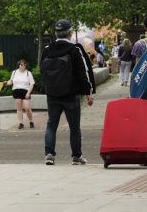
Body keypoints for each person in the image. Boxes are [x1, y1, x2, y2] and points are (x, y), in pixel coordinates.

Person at [41, 19, 95, 166]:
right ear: (70, 33)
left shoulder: (47, 49)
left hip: (52, 95)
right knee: (74, 127)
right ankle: (76, 156)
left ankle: (49, 154)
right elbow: (83, 72)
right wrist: (89, 92)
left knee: (51, 125)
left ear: (56, 33)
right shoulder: (74, 50)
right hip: (70, 95)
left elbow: (42, 71)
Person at [5, 60, 35, 129]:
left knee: (27, 108)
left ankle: (31, 121)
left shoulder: (28, 73)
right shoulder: (14, 72)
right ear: (19, 65)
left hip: (25, 91)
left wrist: (28, 93)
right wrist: (6, 83)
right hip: (16, 90)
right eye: (21, 65)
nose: (23, 66)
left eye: (24, 65)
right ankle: (21, 123)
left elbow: (32, 83)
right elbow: (11, 81)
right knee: (19, 108)